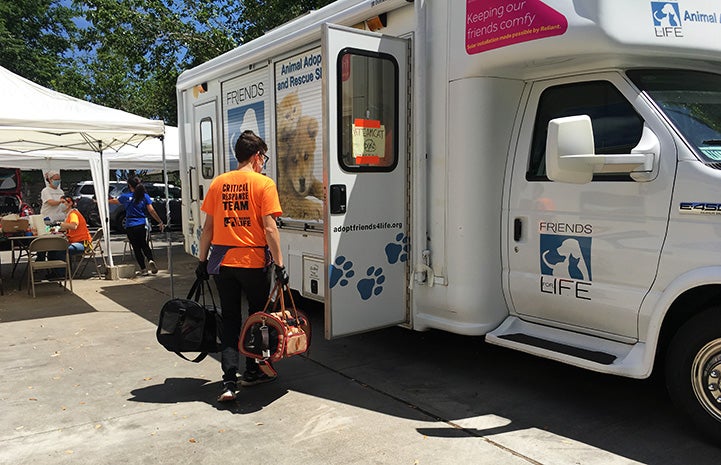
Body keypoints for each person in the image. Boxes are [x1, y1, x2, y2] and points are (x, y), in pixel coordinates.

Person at [195, 129, 289, 403]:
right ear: (257, 156)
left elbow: (207, 229)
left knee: (231, 320)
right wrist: (280, 264)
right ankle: (253, 370)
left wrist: (202, 261)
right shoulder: (263, 184)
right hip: (253, 262)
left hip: (224, 264)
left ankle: (228, 382)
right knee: (257, 319)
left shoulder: (218, 183)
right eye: (264, 156)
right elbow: (270, 229)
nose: (263, 162)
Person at [110, 176, 164, 276]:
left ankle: (143, 269)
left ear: (129, 186)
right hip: (141, 223)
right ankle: (150, 259)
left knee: (136, 247)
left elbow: (115, 201)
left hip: (130, 224)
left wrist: (102, 200)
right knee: (144, 244)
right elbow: (151, 211)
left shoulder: (125, 197)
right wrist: (160, 221)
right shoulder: (144, 196)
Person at [48, 195, 92, 261]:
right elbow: (66, 228)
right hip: (76, 242)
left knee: (60, 252)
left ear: (70, 203)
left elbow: (74, 226)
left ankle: (64, 271)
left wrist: (60, 223)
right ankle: (57, 270)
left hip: (83, 243)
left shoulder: (73, 214)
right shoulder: (69, 214)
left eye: (63, 202)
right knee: (52, 251)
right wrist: (56, 229)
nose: (61, 204)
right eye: (60, 202)